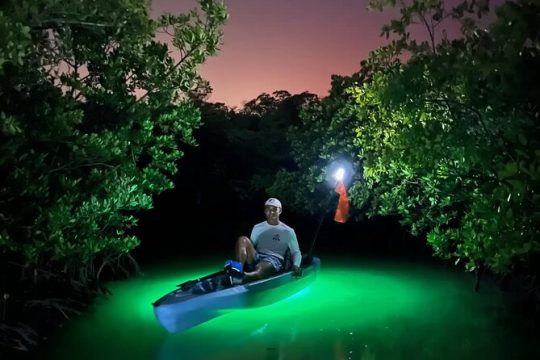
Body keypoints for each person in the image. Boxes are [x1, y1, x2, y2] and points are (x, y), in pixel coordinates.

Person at [226, 198, 302, 284]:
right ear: (265, 211)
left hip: (274, 260)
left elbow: (296, 252)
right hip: (258, 256)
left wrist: (296, 265)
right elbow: (250, 245)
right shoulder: (257, 227)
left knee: (260, 266)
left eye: (274, 209)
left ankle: (243, 278)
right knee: (242, 239)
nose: (271, 212)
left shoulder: (288, 231)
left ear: (280, 210)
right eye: (268, 209)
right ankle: (237, 270)